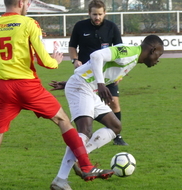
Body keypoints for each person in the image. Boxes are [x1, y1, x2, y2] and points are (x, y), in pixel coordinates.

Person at [0, 0, 115, 190]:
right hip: (26, 85)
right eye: (28, 2)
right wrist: (55, 61)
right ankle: (86, 165)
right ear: (21, 2)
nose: (28, 5)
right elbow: (43, 60)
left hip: (2, 88)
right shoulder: (29, 23)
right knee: (63, 120)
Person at [50, 35, 164, 190]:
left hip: (87, 87)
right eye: (159, 54)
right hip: (82, 86)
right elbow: (96, 56)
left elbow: (95, 66)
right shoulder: (130, 51)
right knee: (84, 131)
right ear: (152, 50)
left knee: (115, 127)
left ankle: (80, 155)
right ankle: (60, 180)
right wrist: (100, 84)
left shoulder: (133, 59)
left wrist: (70, 82)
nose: (158, 59)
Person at [49, 0, 127, 146]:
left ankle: (117, 136)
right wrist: (74, 60)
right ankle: (84, 136)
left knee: (114, 103)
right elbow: (72, 47)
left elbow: (120, 52)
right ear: (89, 13)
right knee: (87, 107)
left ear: (105, 13)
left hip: (106, 73)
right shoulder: (80, 26)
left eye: (100, 14)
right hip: (86, 75)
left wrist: (119, 74)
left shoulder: (112, 27)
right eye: (94, 14)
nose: (97, 17)